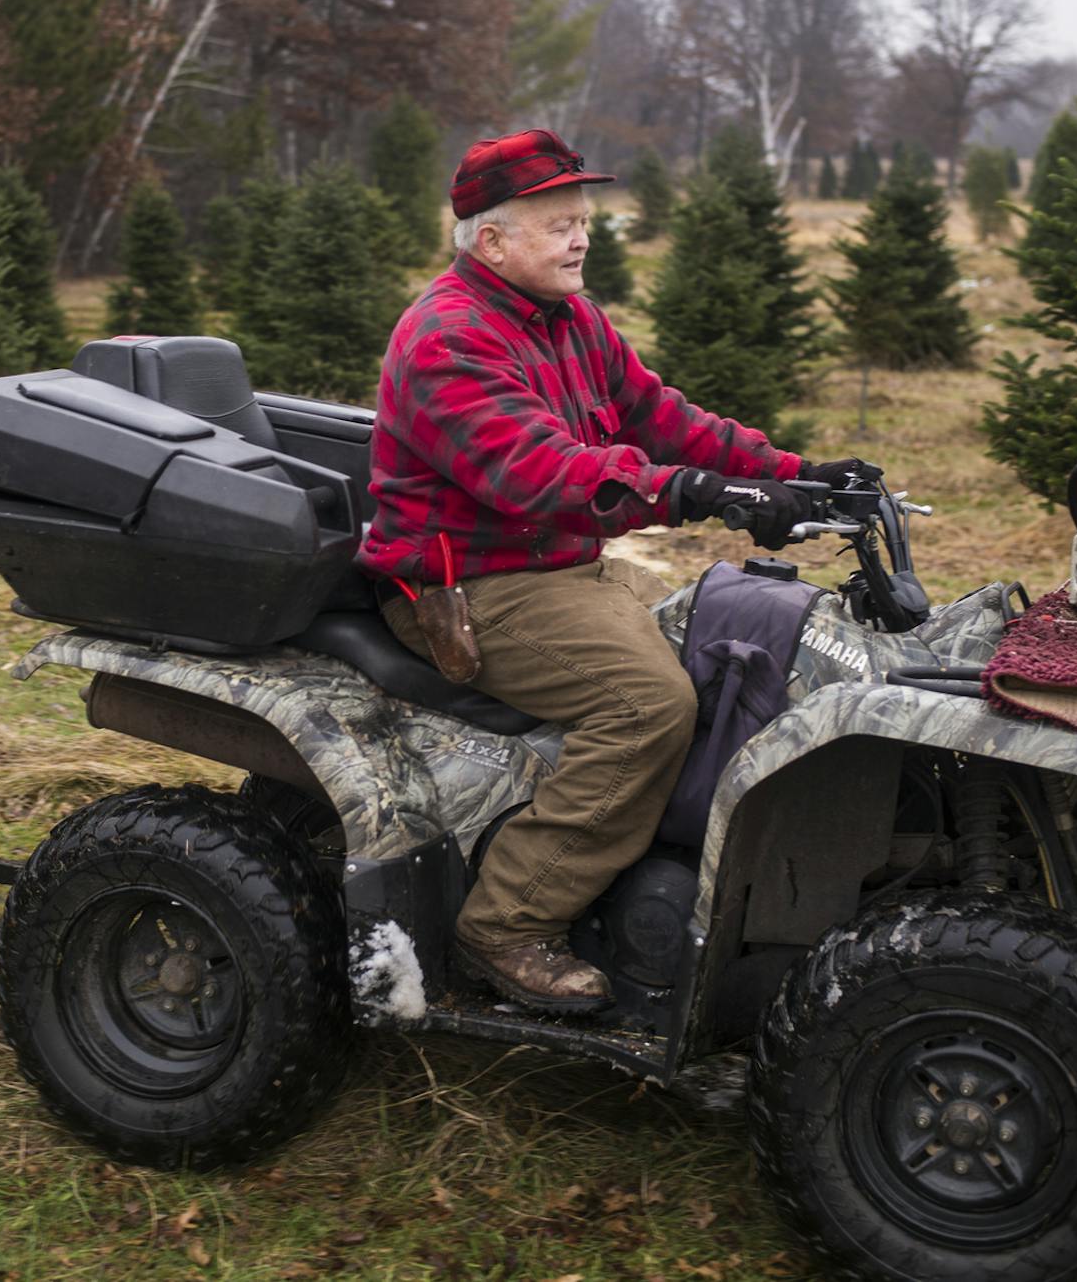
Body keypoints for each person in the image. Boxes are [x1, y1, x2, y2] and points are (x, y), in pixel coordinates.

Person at [357, 128, 870, 1015]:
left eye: (584, 218)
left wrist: (789, 473)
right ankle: (508, 920)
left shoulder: (568, 318)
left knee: (735, 644)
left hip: (561, 568)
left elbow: (660, 415)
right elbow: (541, 473)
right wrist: (695, 494)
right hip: (474, 588)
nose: (581, 237)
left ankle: (668, 869)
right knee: (649, 706)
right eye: (558, 223)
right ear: (492, 240)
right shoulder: (448, 338)